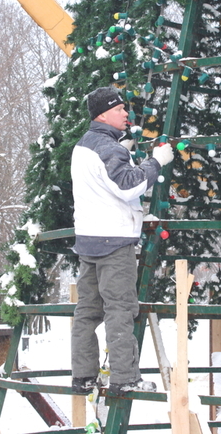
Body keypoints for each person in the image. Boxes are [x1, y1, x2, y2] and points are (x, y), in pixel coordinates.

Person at [70, 86, 174, 396]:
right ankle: (125, 378)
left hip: (88, 239)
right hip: (114, 240)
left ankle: (83, 377)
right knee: (120, 309)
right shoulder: (109, 149)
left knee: (87, 311)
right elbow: (129, 187)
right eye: (119, 109)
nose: (126, 113)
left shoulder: (85, 145)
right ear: (103, 114)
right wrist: (156, 162)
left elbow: (103, 179)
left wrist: (123, 150)